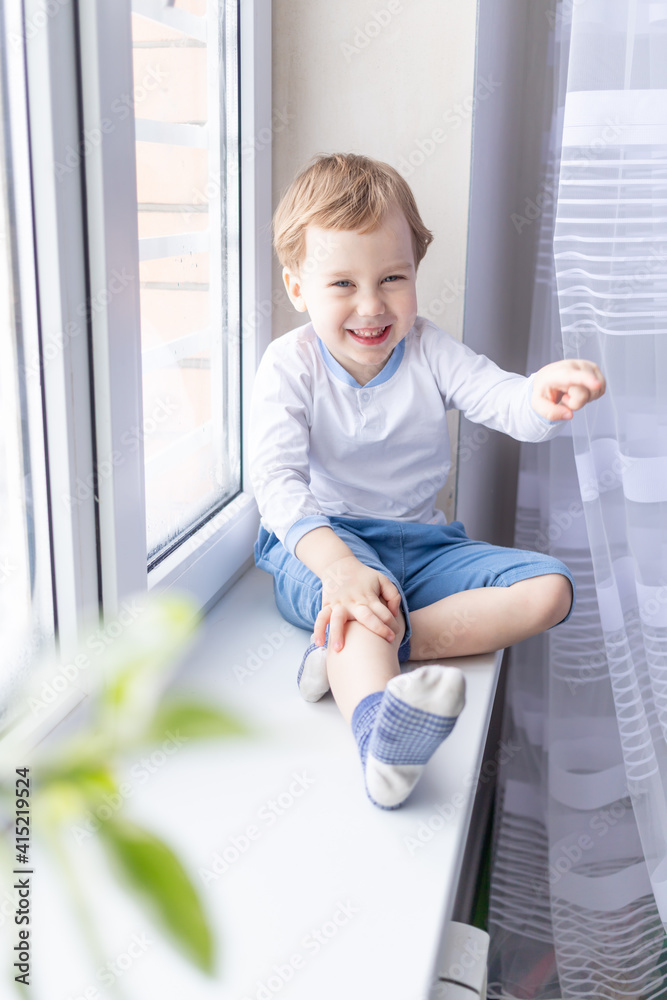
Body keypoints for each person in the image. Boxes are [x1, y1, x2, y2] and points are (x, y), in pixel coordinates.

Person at [249, 152, 605, 810]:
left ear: (415, 271)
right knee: (360, 602)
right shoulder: (289, 365)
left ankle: (357, 647)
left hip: (423, 546)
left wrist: (539, 396)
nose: (371, 305)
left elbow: (498, 396)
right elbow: (276, 482)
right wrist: (338, 568)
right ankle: (377, 740)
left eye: (392, 278)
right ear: (297, 288)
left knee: (550, 590)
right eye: (342, 284)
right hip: (326, 544)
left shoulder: (427, 349)